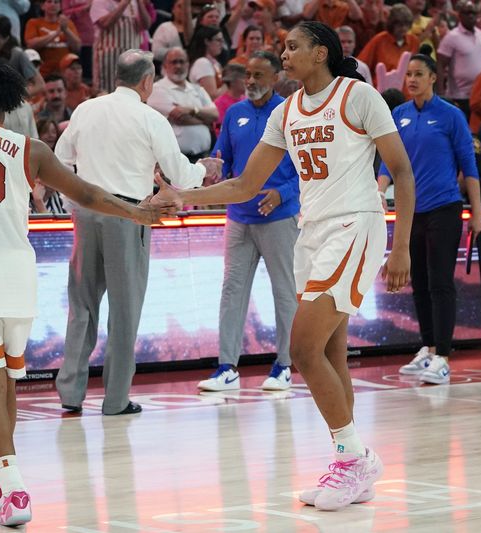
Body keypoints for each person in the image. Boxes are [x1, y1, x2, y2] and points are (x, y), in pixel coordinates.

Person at [0, 59, 171, 526]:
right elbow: (85, 193)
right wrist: (137, 213)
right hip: (19, 280)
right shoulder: (32, 148)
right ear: (5, 105)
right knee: (3, 385)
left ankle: (16, 488)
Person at [152, 21, 415, 511]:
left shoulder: (358, 98)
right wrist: (182, 196)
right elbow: (245, 184)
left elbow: (400, 170)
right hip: (310, 233)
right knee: (332, 354)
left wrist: (401, 246)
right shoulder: (287, 111)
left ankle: (352, 457)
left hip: (354, 226)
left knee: (302, 347)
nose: (284, 52)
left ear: (321, 53)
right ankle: (352, 463)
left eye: (293, 46)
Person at [54, 49, 221, 416]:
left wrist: (74, 203)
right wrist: (203, 169)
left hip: (86, 210)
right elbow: (178, 173)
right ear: (147, 81)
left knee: (81, 305)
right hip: (129, 213)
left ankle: (70, 391)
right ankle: (115, 399)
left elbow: (60, 161)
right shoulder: (150, 117)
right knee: (125, 309)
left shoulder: (85, 109)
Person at [197, 51, 300, 393]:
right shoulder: (234, 113)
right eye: (248, 76)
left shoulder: (290, 113)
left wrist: (282, 194)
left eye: (259, 75)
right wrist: (211, 170)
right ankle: (227, 368)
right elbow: (222, 157)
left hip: (279, 218)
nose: (251, 82)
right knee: (231, 291)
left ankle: (284, 365)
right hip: (239, 217)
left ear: (275, 79)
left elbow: (307, 170)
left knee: (284, 292)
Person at [378, 54, 481, 385]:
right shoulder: (398, 115)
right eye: (408, 74)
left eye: (418, 74)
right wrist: (378, 193)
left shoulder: (450, 115)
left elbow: (469, 164)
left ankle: (443, 357)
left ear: (433, 78)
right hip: (410, 212)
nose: (411, 79)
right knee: (419, 282)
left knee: (440, 282)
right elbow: (387, 164)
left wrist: (476, 213)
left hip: (444, 209)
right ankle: (428, 347)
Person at [148, 47, 218, 161]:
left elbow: (215, 115)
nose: (178, 66)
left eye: (182, 62)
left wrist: (191, 110)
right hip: (174, 160)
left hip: (203, 156)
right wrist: (205, 121)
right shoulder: (157, 89)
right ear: (165, 66)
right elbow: (180, 117)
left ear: (188, 65)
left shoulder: (198, 89)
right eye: (174, 62)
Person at [436, 1, 481, 119]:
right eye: (467, 13)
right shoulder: (451, 37)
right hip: (459, 96)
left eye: (473, 13)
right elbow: (440, 65)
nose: (471, 16)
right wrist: (440, 95)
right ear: (459, 15)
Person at [23, 0, 81, 78]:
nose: (53, 5)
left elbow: (77, 47)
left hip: (64, 74)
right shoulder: (34, 23)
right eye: (49, 1)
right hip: (42, 74)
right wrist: (56, 33)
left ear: (60, 6)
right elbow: (31, 44)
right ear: (42, 6)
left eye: (56, 2)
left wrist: (66, 30)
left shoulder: (68, 24)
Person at [188, 25, 226, 100]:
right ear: (207, 41)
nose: (222, 45)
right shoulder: (202, 63)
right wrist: (230, 84)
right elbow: (212, 96)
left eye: (222, 41)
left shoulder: (216, 63)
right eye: (218, 40)